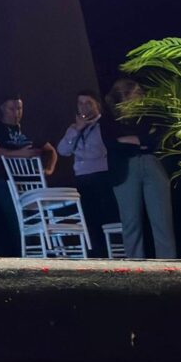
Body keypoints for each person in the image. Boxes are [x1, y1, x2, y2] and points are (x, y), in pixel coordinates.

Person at [105, 77, 177, 259]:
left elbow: (155, 140)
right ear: (123, 95)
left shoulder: (149, 115)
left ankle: (168, 265)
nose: (140, 97)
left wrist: (133, 140)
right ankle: (136, 266)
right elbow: (112, 143)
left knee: (162, 221)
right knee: (131, 222)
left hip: (152, 163)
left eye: (140, 93)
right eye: (135, 93)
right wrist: (141, 141)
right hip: (125, 168)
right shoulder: (110, 119)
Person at [0, 96, 59, 240]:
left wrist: (49, 169)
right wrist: (21, 153)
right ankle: (25, 249)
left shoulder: (29, 128)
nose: (16, 113)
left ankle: (46, 247)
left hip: (32, 182)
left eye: (19, 108)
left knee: (40, 218)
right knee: (17, 220)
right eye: (12, 109)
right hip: (6, 181)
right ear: (3, 108)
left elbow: (51, 150)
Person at [56, 91, 119, 255]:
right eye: (80, 103)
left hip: (101, 176)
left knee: (106, 217)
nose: (83, 107)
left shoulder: (104, 125)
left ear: (97, 105)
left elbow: (98, 151)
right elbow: (62, 150)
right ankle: (99, 255)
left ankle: (114, 253)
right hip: (82, 179)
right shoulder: (74, 128)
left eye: (88, 103)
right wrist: (77, 130)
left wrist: (80, 152)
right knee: (90, 220)